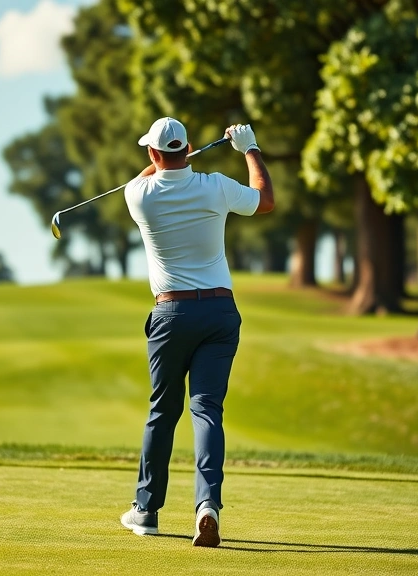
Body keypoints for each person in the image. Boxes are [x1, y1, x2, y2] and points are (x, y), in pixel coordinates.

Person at [118, 117, 274, 547]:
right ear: (188, 149)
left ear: (152, 153)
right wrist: (249, 148)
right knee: (206, 410)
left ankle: (146, 511)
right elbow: (265, 200)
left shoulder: (138, 195)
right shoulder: (216, 186)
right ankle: (208, 505)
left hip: (171, 315)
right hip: (220, 313)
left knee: (163, 412)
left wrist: (166, 161)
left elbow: (150, 173)